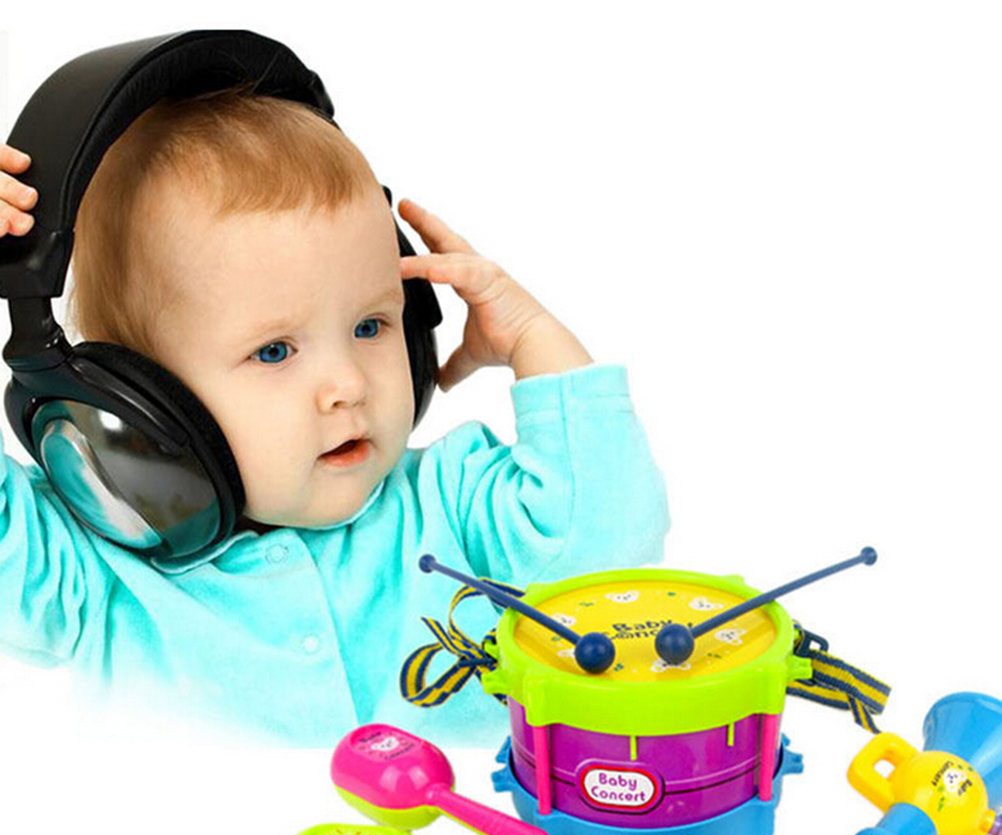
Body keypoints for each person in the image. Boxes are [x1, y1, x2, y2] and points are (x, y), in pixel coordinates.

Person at [0, 88, 669, 746]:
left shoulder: (457, 501)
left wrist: (532, 338)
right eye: (274, 351)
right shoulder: (84, 564)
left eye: (371, 326)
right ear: (139, 399)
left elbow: (609, 544)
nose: (348, 385)